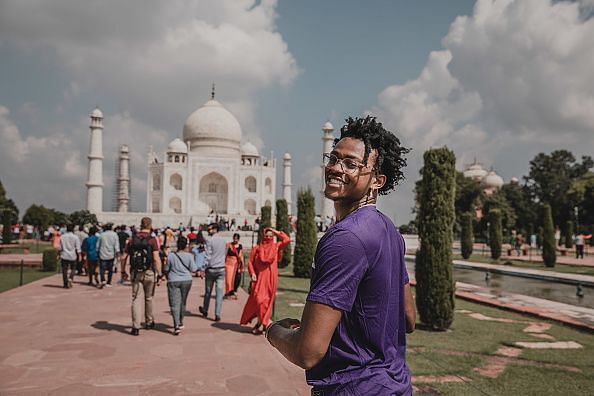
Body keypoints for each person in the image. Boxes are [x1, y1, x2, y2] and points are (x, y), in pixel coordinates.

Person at [266, 116, 415, 395]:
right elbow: (408, 318)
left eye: (351, 164)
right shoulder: (388, 230)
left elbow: (307, 352)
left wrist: (274, 332)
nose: (336, 168)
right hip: (393, 385)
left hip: (352, 388)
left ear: (377, 181)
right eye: (333, 158)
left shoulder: (345, 239)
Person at [240, 228, 290, 334]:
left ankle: (261, 323)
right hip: (260, 278)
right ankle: (262, 323)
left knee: (267, 302)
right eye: (267, 235)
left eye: (271, 236)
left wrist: (274, 231)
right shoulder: (257, 248)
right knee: (259, 300)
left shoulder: (276, 247)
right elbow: (250, 262)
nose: (268, 237)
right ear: (263, 236)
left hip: (271, 278)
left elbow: (287, 239)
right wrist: (252, 273)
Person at [121, 217, 163, 336]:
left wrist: (123, 271)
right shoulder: (153, 240)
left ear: (140, 225)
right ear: (150, 226)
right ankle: (149, 322)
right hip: (149, 272)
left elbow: (124, 257)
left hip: (135, 273)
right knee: (149, 298)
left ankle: (135, 326)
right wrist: (160, 274)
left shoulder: (131, 240)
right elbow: (156, 258)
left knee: (136, 299)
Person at [164, 236, 198, 335]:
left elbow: (166, 268)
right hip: (187, 280)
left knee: (174, 303)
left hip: (173, 280)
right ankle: (181, 321)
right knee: (183, 302)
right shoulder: (189, 256)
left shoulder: (171, 256)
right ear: (186, 245)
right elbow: (194, 269)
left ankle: (176, 325)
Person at [198, 223, 227, 321]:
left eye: (210, 229)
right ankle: (217, 313)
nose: (208, 231)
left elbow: (207, 256)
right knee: (219, 293)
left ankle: (205, 310)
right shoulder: (223, 240)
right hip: (221, 269)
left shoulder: (209, 240)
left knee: (208, 292)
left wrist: (202, 268)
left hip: (211, 270)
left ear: (215, 229)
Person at [97, 223, 120, 288]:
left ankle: (103, 280)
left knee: (102, 269)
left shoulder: (102, 235)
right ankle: (109, 282)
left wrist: (97, 252)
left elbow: (98, 245)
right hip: (111, 254)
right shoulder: (114, 235)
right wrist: (117, 254)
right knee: (110, 269)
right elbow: (116, 245)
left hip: (102, 254)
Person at [59, 224, 81, 289]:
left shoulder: (62, 237)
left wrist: (58, 254)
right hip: (72, 255)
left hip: (64, 254)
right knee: (73, 268)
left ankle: (65, 284)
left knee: (64, 270)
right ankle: (71, 278)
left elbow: (60, 247)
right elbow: (78, 248)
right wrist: (79, 255)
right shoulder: (75, 237)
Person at [224, 233, 244, 299]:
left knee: (237, 278)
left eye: (237, 239)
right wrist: (223, 263)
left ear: (239, 239)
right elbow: (225, 254)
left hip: (236, 264)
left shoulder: (240, 246)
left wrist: (242, 265)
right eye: (234, 238)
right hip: (229, 264)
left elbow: (241, 256)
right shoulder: (229, 245)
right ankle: (228, 292)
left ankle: (234, 291)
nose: (235, 240)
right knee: (228, 279)